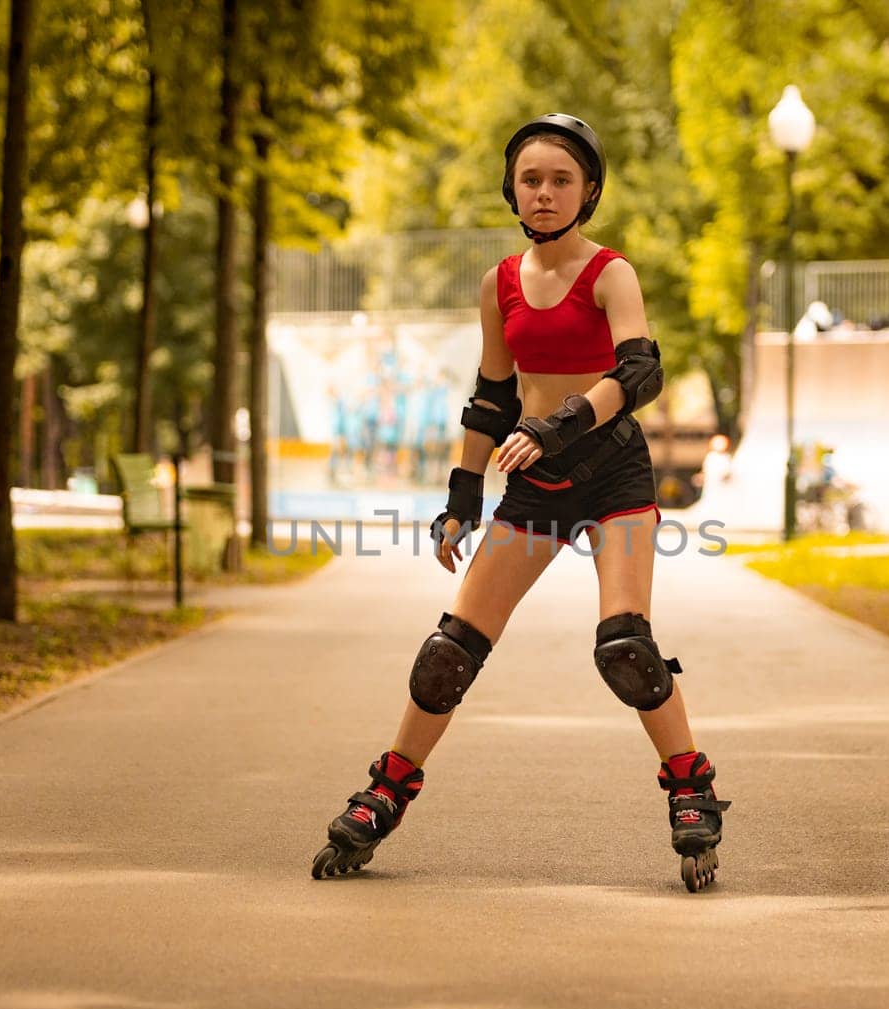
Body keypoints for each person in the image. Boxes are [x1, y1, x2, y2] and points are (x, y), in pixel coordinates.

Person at [312, 114, 730, 893]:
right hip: (534, 484)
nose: (544, 192)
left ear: (588, 192)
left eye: (561, 179)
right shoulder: (498, 285)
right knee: (449, 653)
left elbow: (639, 371)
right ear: (513, 190)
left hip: (610, 474)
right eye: (531, 179)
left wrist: (556, 423)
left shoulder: (611, 273)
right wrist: (461, 499)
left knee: (624, 645)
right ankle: (386, 789)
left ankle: (691, 786)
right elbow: (490, 397)